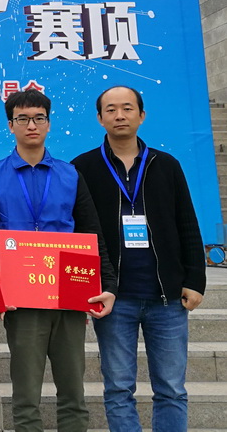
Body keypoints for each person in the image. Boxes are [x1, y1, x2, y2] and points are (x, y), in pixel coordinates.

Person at [0, 89, 117, 432]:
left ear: (49, 124)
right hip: (21, 298)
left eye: (39, 118)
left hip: (68, 292)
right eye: (22, 119)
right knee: (25, 396)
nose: (31, 125)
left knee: (73, 392)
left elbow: (91, 231)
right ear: (10, 125)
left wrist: (108, 284)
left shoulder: (70, 174)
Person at [71, 85, 206, 432]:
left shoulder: (166, 165)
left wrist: (195, 280)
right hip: (114, 298)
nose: (120, 115)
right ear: (100, 118)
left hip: (167, 297)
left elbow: (187, 224)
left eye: (128, 108)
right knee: (118, 388)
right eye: (111, 110)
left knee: (172, 389)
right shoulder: (83, 167)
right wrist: (82, 290)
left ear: (141, 115)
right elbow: (77, 232)